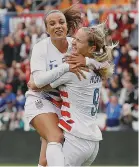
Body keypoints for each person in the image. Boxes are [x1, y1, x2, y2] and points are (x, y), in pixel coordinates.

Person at [25, 5, 106, 167]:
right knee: (56, 137)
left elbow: (104, 64)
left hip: (62, 105)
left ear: (67, 26)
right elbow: (37, 83)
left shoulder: (75, 45)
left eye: (61, 22)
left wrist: (87, 61)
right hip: (40, 99)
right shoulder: (41, 48)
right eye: (52, 24)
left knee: (45, 161)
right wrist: (67, 67)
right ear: (47, 29)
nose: (58, 26)